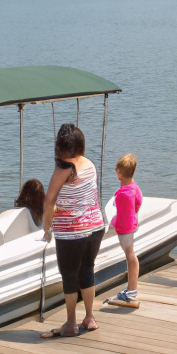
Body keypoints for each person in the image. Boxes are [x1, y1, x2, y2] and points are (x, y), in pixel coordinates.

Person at [40, 123, 106, 338]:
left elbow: (49, 201)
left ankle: (70, 324)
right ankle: (89, 317)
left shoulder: (64, 169)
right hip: (95, 226)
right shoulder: (89, 163)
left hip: (72, 230)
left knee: (69, 276)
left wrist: (47, 227)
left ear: (59, 147)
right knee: (87, 269)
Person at [105, 153, 143, 308]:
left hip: (124, 229)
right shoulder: (134, 187)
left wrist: (113, 225)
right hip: (132, 225)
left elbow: (121, 215)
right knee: (130, 255)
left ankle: (131, 291)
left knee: (130, 255)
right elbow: (138, 204)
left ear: (118, 174)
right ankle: (131, 290)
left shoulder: (122, 194)